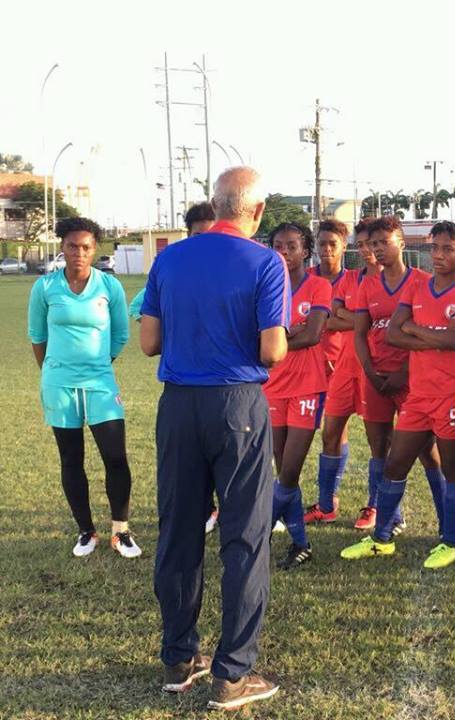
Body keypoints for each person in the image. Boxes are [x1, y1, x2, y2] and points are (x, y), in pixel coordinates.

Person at [140, 167, 288, 711]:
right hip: (237, 405)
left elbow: (148, 341)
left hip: (178, 404)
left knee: (178, 530)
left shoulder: (171, 257)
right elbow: (272, 349)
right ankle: (232, 673)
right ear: (257, 210)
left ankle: (179, 658)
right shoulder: (265, 262)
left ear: (215, 203)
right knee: (245, 537)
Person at [341, 221, 455, 569]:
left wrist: (415, 330)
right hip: (418, 395)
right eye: (434, 248)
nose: (438, 255)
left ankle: (450, 542)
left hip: (454, 393)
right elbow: (392, 335)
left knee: (452, 468)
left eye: (447, 249)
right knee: (395, 463)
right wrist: (433, 336)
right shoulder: (417, 290)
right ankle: (381, 539)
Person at [28, 217, 138, 559]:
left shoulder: (109, 287)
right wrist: (53, 370)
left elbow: (120, 334)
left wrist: (98, 364)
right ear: (62, 247)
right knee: (70, 458)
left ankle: (121, 531)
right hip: (59, 385)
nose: (79, 252)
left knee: (115, 457)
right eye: (73, 246)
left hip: (100, 383)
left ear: (95, 250)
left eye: (86, 247)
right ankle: (85, 531)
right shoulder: (45, 288)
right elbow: (37, 337)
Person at [349, 216, 445, 538]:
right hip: (376, 379)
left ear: (401, 243)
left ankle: (447, 521)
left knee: (427, 451)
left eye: (384, 242)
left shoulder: (422, 282)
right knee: (380, 449)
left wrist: (405, 372)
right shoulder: (367, 285)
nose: (377, 249)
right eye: (373, 243)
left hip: (413, 380)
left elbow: (428, 334)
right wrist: (371, 372)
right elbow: (360, 334)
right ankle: (390, 518)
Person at [129, 201, 220, 536]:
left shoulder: (230, 269)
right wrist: (170, 333)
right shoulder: (173, 265)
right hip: (186, 385)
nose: (206, 244)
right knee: (192, 467)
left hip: (226, 385)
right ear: (188, 234)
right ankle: (208, 510)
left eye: (213, 235)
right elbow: (140, 309)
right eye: (199, 235)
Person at [263, 222, 332, 570]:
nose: (285, 252)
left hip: (307, 386)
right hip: (271, 386)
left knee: (288, 473)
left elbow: (314, 334)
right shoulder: (266, 286)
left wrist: (277, 338)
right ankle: (300, 544)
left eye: (292, 246)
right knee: (283, 471)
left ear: (306, 250)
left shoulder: (319, 286)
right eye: (278, 245)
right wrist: (291, 333)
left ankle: (254, 538)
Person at [306, 218, 382, 529]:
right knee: (331, 433)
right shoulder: (307, 278)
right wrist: (364, 319)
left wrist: (349, 319)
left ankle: (379, 506)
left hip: (352, 364)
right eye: (321, 243)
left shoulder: (354, 279)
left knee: (377, 438)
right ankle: (327, 503)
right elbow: (335, 319)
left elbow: (360, 320)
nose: (326, 250)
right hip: (312, 367)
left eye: (332, 244)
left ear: (343, 246)